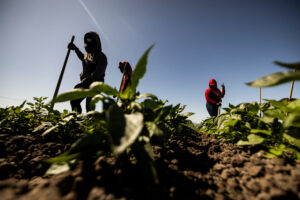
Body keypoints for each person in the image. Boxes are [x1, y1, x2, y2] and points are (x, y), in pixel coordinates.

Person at [67, 31, 107, 113]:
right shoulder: (87, 55)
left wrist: (83, 82)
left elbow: (97, 73)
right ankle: (76, 120)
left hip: (95, 85)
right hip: (85, 83)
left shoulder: (102, 57)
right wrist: (75, 49)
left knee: (89, 106)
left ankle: (90, 122)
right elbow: (83, 57)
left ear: (96, 43)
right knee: (74, 100)